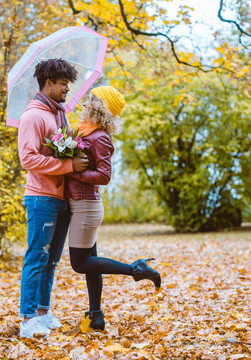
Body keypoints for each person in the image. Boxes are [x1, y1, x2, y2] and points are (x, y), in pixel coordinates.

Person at [65, 86, 162, 332]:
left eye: (91, 100)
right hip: (81, 204)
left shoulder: (100, 137)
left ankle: (136, 269)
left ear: (99, 107)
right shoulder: (86, 131)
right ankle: (96, 316)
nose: (85, 103)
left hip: (86, 206)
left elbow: (104, 176)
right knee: (91, 262)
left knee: (80, 264)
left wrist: (76, 171)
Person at [17, 59, 89, 338]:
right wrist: (69, 166)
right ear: (48, 84)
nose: (67, 89)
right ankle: (27, 319)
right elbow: (28, 159)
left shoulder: (58, 114)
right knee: (37, 257)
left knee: (52, 261)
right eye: (62, 84)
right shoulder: (33, 116)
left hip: (61, 197)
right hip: (41, 198)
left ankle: (42, 312)